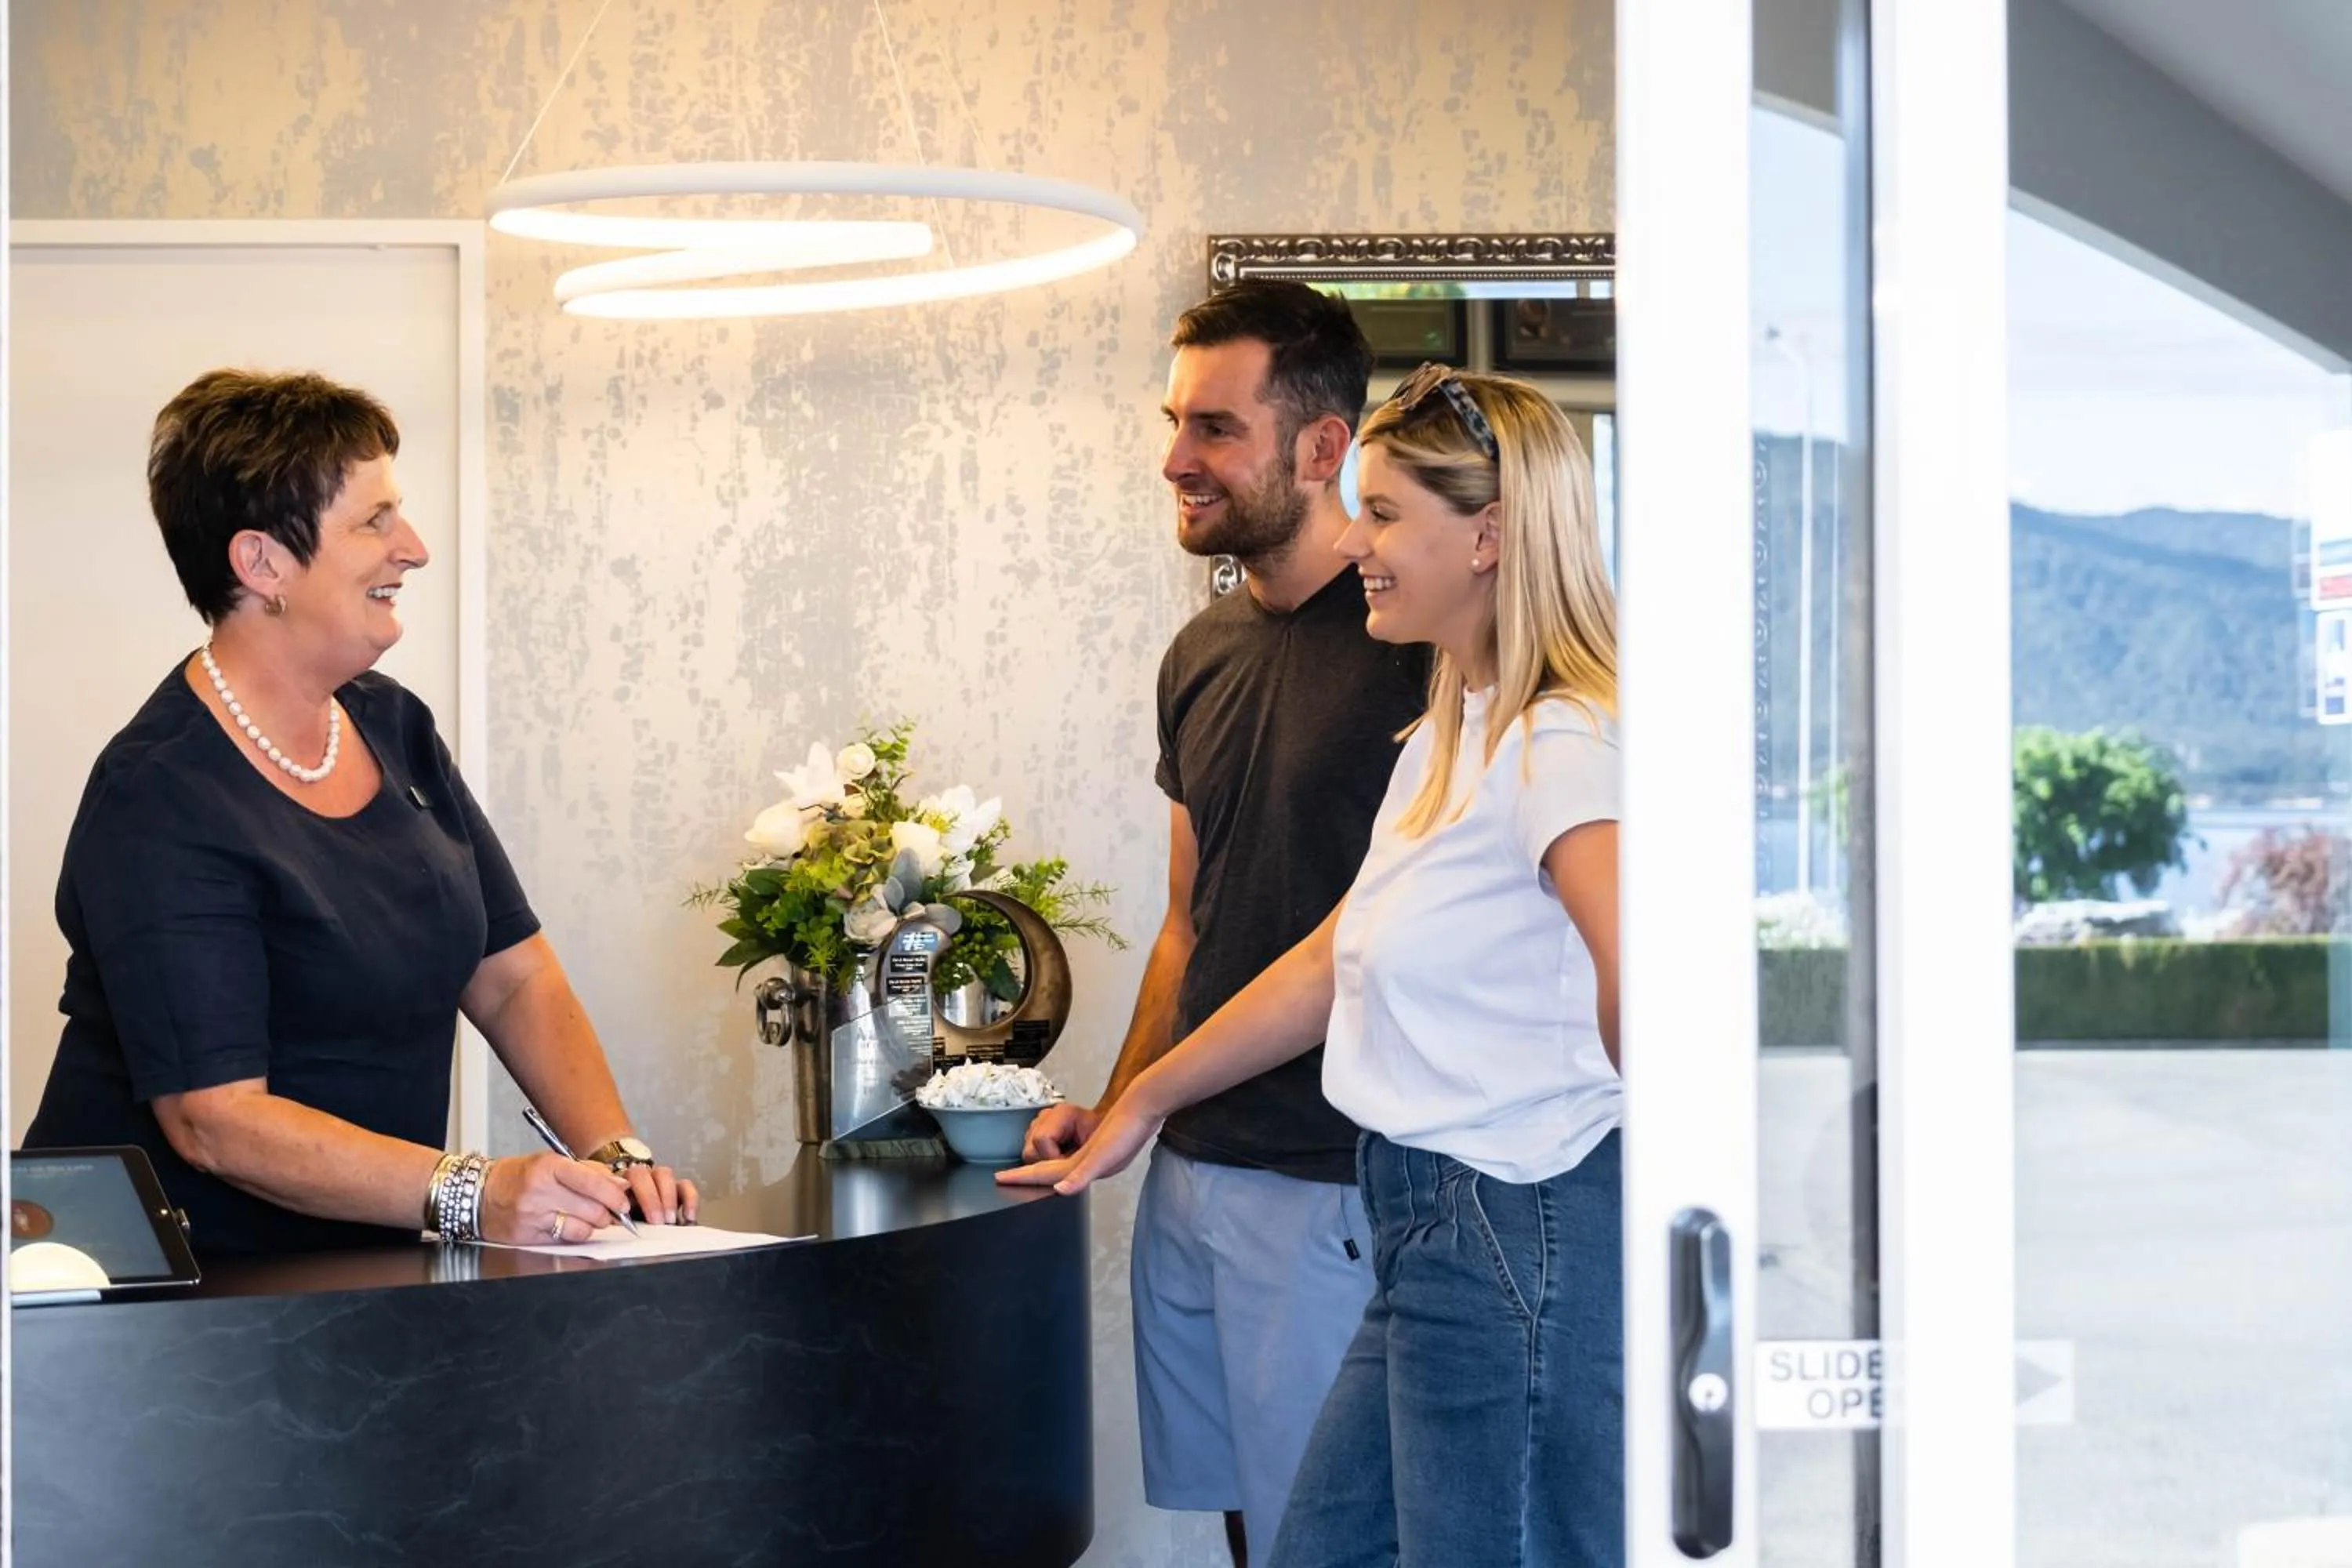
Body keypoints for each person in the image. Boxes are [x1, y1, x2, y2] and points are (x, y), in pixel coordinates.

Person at [1006, 364, 1624, 1568]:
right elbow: (1332, 957)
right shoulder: (1455, 730)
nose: (1362, 543)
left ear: (1490, 537)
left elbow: (1648, 978)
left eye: (1387, 514)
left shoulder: (1562, 737)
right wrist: (1142, 1102)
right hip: (1428, 1228)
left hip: (1515, 1220)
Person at [24, 368, 698, 1258]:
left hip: (360, 1267)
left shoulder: (392, 722)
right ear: (262, 562)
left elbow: (512, 974)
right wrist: (475, 1191)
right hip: (167, 1299)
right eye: (374, 520)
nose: (412, 547)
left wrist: (615, 1153)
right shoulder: (159, 792)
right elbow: (214, 1119)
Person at [1019, 281, 1430, 1563]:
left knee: (1336, 1538)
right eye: (1174, 421)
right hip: (1192, 1169)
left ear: (1322, 451)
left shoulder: (1416, 648)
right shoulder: (1198, 649)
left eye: (1214, 428)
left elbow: (1368, 937)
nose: (1175, 460)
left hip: (1329, 1178)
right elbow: (1189, 925)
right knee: (1254, 1531)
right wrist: (1126, 1096)